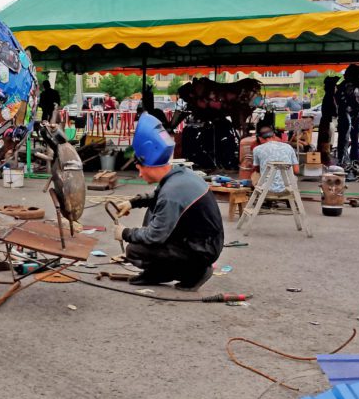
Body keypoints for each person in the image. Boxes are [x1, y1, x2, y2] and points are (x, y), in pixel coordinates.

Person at [110, 114, 224, 290]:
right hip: (201, 241)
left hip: (201, 250)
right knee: (153, 212)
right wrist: (133, 202)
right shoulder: (178, 175)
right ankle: (159, 272)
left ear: (149, 164)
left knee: (135, 249)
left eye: (140, 169)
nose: (139, 175)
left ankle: (194, 272)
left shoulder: (172, 192)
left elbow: (154, 236)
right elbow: (158, 197)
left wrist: (125, 232)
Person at [251, 124, 299, 192]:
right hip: (288, 188)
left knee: (255, 174)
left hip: (267, 188)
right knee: (292, 176)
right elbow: (296, 170)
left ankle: (263, 198)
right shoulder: (288, 147)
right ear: (274, 135)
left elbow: (257, 169)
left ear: (260, 138)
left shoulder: (257, 149)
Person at [317, 76, 339, 165]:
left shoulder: (329, 96)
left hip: (328, 121)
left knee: (328, 139)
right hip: (328, 121)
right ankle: (325, 159)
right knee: (327, 140)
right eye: (335, 86)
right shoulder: (329, 97)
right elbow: (333, 111)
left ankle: (326, 157)